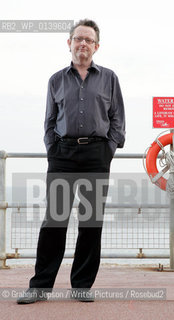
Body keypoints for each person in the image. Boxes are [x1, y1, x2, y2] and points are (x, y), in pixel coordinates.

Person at [17, 18, 125, 304]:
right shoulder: (56, 79)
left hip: (96, 155)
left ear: (96, 46)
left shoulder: (110, 78)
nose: (83, 44)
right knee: (54, 221)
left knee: (90, 222)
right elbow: (49, 121)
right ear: (69, 43)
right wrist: (53, 150)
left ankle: (81, 286)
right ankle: (39, 286)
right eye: (78, 38)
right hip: (62, 155)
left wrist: (108, 149)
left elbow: (117, 119)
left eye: (89, 40)